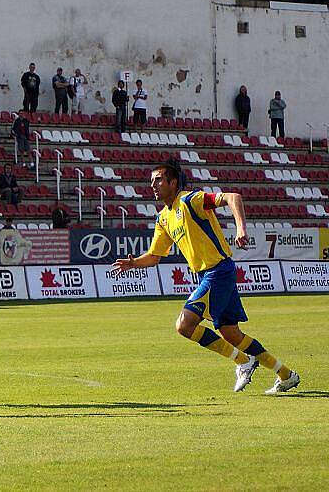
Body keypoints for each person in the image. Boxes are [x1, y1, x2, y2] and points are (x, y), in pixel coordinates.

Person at [112, 158, 300, 395]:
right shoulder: (163, 218)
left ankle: (243, 361)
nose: (153, 185)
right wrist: (132, 263)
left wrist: (241, 228)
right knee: (231, 333)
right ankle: (286, 374)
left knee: (184, 325)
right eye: (151, 181)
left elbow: (233, 197)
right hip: (210, 275)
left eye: (158, 180)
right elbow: (154, 256)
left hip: (218, 271)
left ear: (173, 182)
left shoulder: (191, 200)